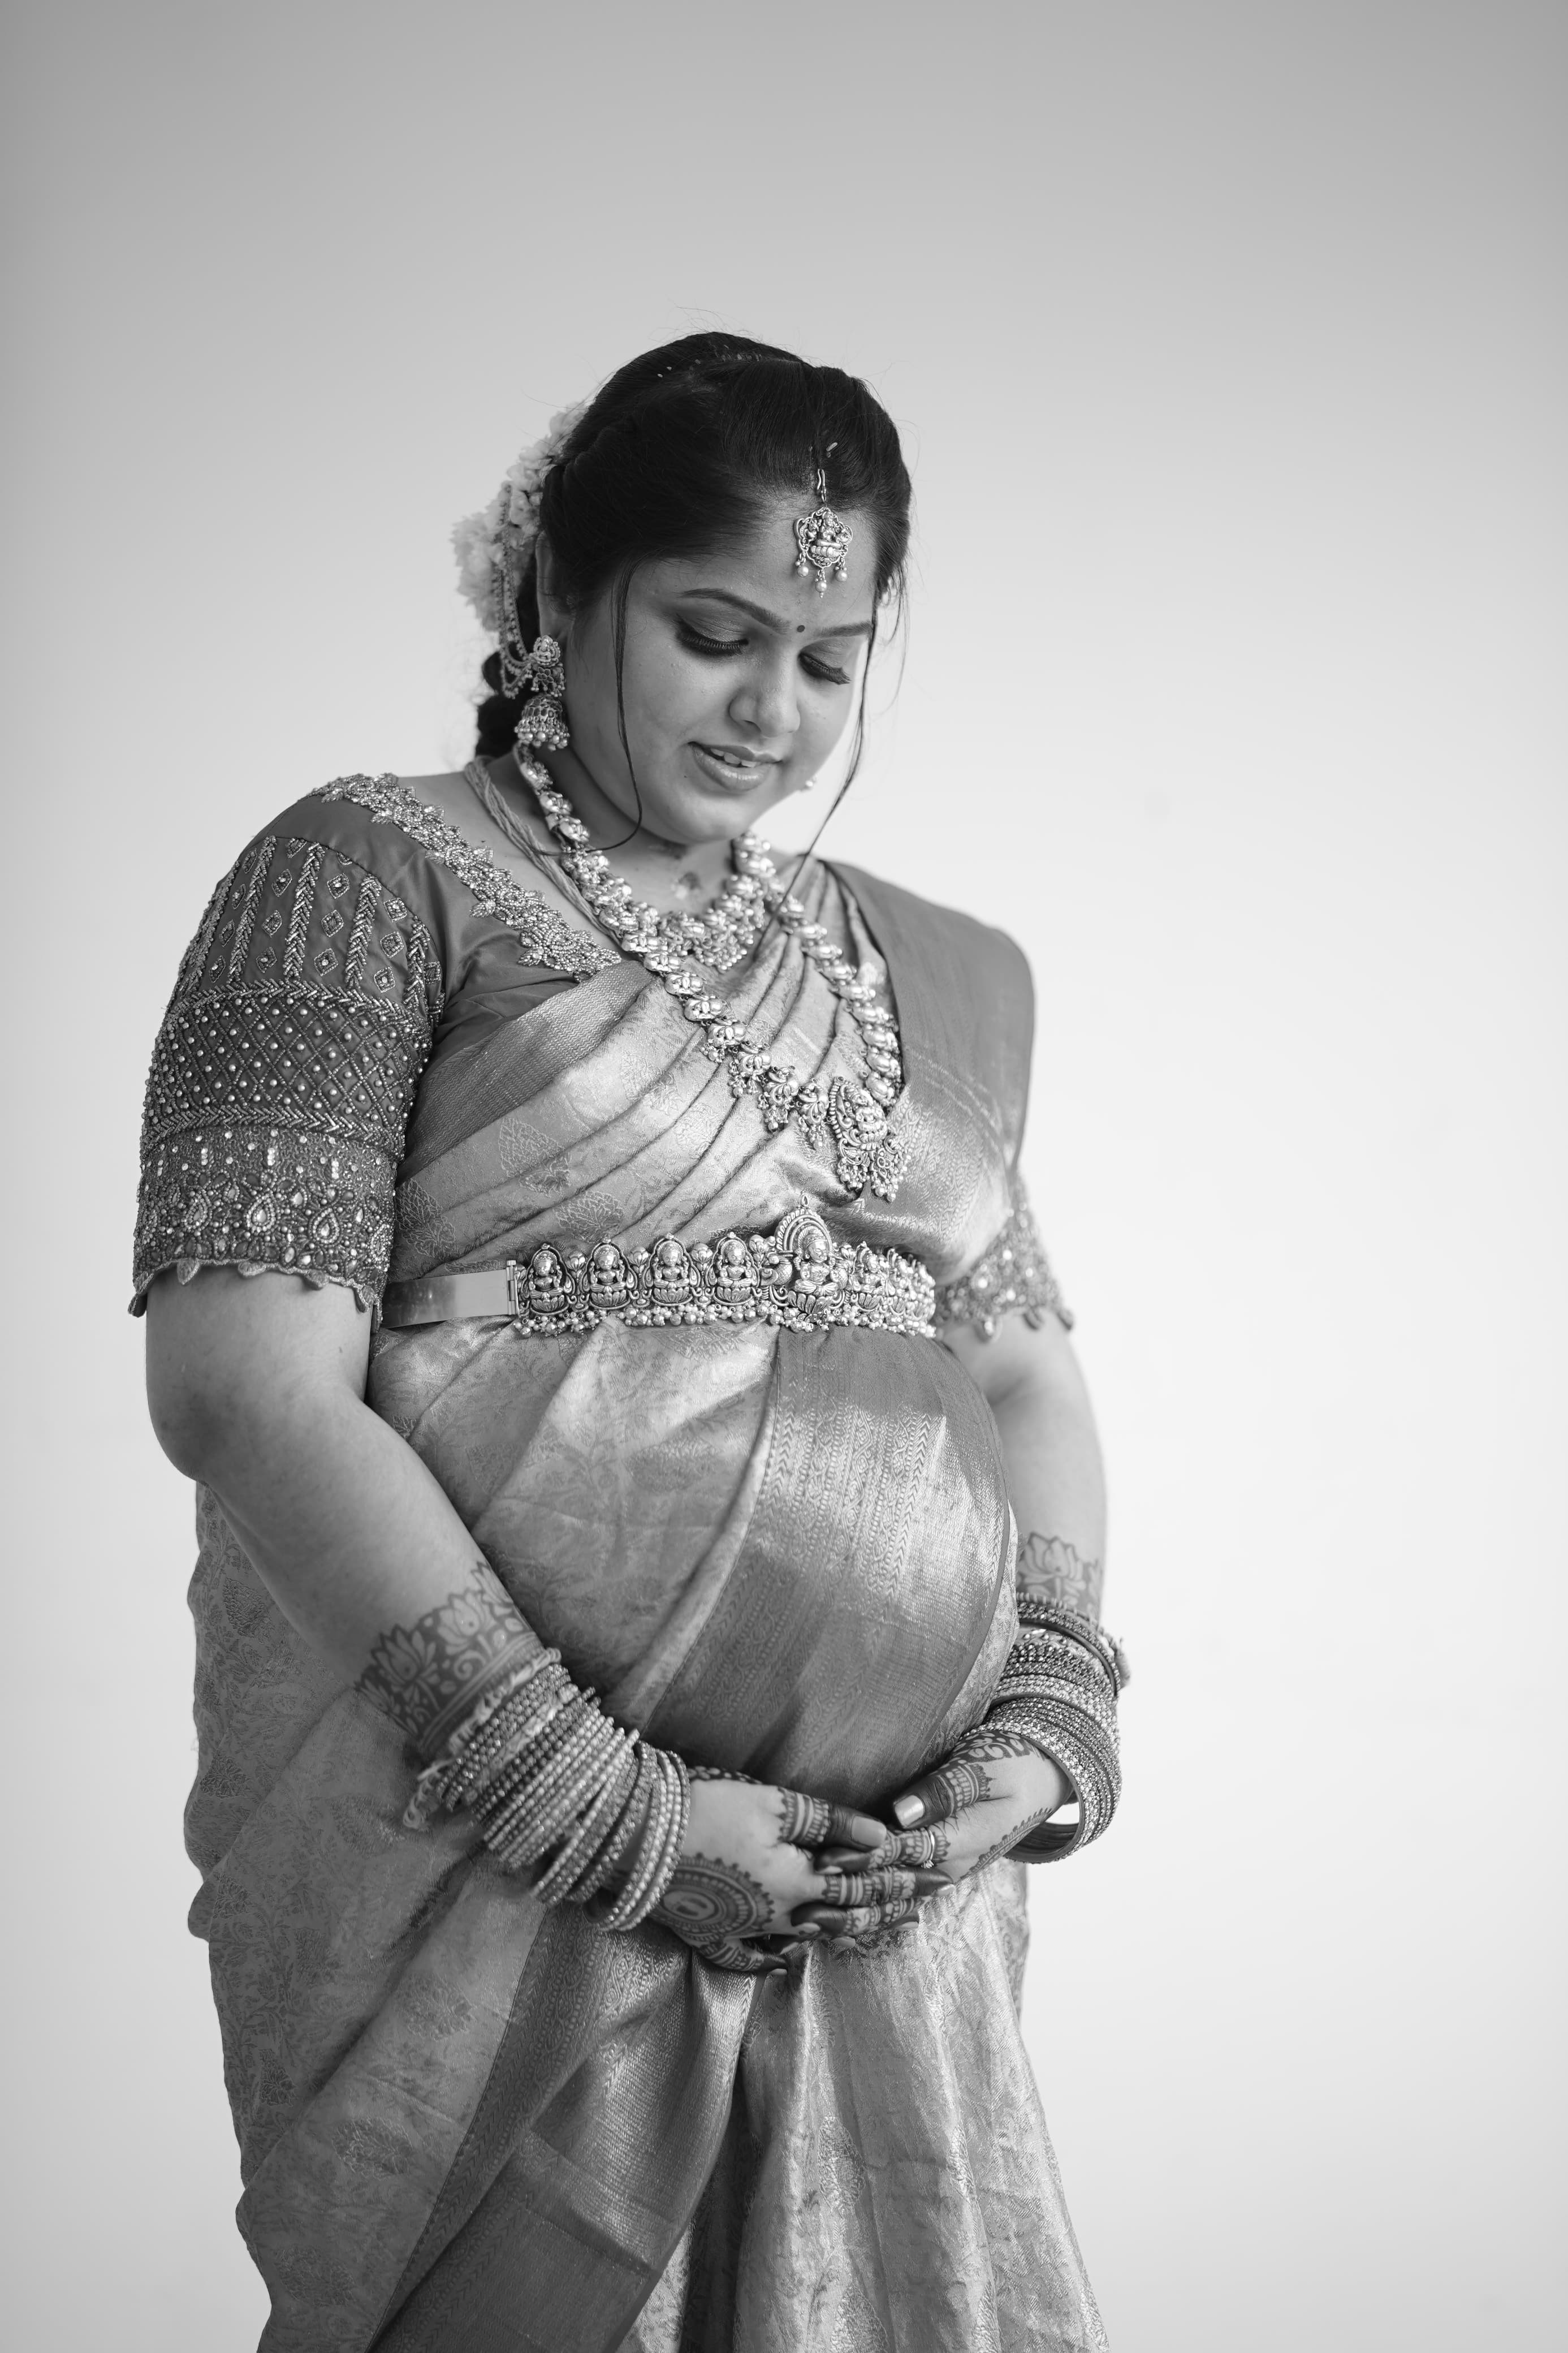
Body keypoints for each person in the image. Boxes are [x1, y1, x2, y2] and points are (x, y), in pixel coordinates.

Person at [135, 332, 1127, 2353]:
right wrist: (609, 1817)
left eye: (830, 661)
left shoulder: (913, 971)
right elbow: (243, 1387)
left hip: (890, 1909)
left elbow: (1020, 1366)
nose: (772, 712)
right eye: (712, 635)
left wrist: (1043, 1709)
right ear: (554, 591)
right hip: (492, 1864)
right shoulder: (361, 877)